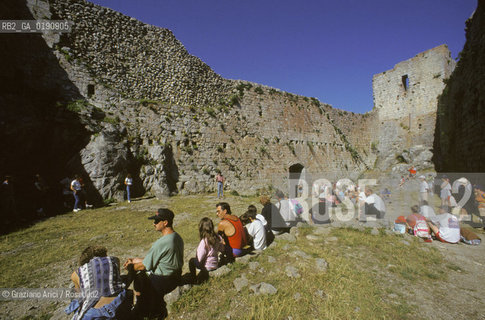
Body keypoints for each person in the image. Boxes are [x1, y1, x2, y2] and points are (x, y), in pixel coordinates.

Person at [123, 208, 184, 319]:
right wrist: (135, 259)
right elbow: (157, 259)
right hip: (175, 276)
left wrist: (131, 267)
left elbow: (145, 266)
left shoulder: (161, 243)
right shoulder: (176, 237)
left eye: (156, 221)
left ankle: (141, 307)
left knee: (139, 275)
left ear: (165, 223)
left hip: (164, 280)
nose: (153, 223)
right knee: (137, 265)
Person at [65, 246, 130, 320]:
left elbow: (81, 297)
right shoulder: (114, 260)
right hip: (116, 305)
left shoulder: (76, 274)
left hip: (93, 313)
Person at [189, 217, 224, 284]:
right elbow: (222, 249)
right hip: (215, 264)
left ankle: (193, 278)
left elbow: (199, 258)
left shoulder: (204, 242)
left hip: (206, 267)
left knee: (191, 261)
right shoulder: (218, 237)